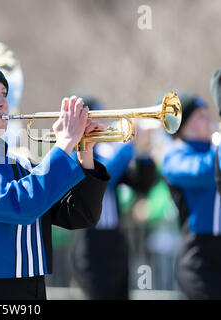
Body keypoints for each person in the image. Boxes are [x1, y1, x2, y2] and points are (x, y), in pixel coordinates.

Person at [0, 60, 110, 300]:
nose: (3, 102)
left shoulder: (20, 163)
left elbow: (80, 214)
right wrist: (64, 144)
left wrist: (84, 150)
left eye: (4, 93)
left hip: (34, 291)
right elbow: (20, 205)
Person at [69, 94, 157, 299]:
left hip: (115, 241)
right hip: (90, 243)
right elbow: (103, 177)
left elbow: (141, 184)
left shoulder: (109, 151)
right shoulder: (76, 152)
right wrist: (130, 145)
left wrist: (144, 152)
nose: (102, 123)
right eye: (96, 117)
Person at [161, 92, 221, 299]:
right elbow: (203, 172)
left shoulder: (214, 150)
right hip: (198, 257)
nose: (210, 120)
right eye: (201, 116)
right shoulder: (173, 155)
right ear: (185, 124)